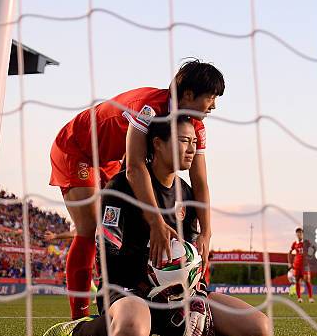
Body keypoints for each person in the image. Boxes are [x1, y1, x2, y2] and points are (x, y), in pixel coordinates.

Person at [41, 117, 269, 336]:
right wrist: (152, 281)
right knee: (131, 333)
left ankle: (171, 327)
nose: (191, 149)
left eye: (194, 142)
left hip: (178, 296)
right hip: (129, 293)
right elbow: (108, 260)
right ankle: (79, 328)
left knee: (259, 327)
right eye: (183, 141)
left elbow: (190, 257)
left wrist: (197, 295)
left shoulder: (187, 194)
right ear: (158, 143)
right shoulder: (121, 187)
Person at [49, 59, 224, 319]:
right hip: (78, 149)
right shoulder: (149, 109)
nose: (214, 106)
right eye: (211, 98)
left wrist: (206, 233)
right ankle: (79, 318)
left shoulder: (194, 125)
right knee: (90, 230)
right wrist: (155, 221)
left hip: (111, 159)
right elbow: (134, 168)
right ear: (188, 94)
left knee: (128, 222)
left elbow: (199, 181)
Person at [288, 228, 314, 303]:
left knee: (307, 281)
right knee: (297, 281)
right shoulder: (294, 243)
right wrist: (289, 263)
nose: (299, 234)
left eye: (300, 233)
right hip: (296, 265)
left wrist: (310, 256)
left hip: (305, 265)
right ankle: (299, 298)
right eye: (298, 233)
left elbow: (313, 248)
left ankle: (310, 297)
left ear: (302, 234)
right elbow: (289, 252)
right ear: (296, 234)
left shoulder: (306, 242)